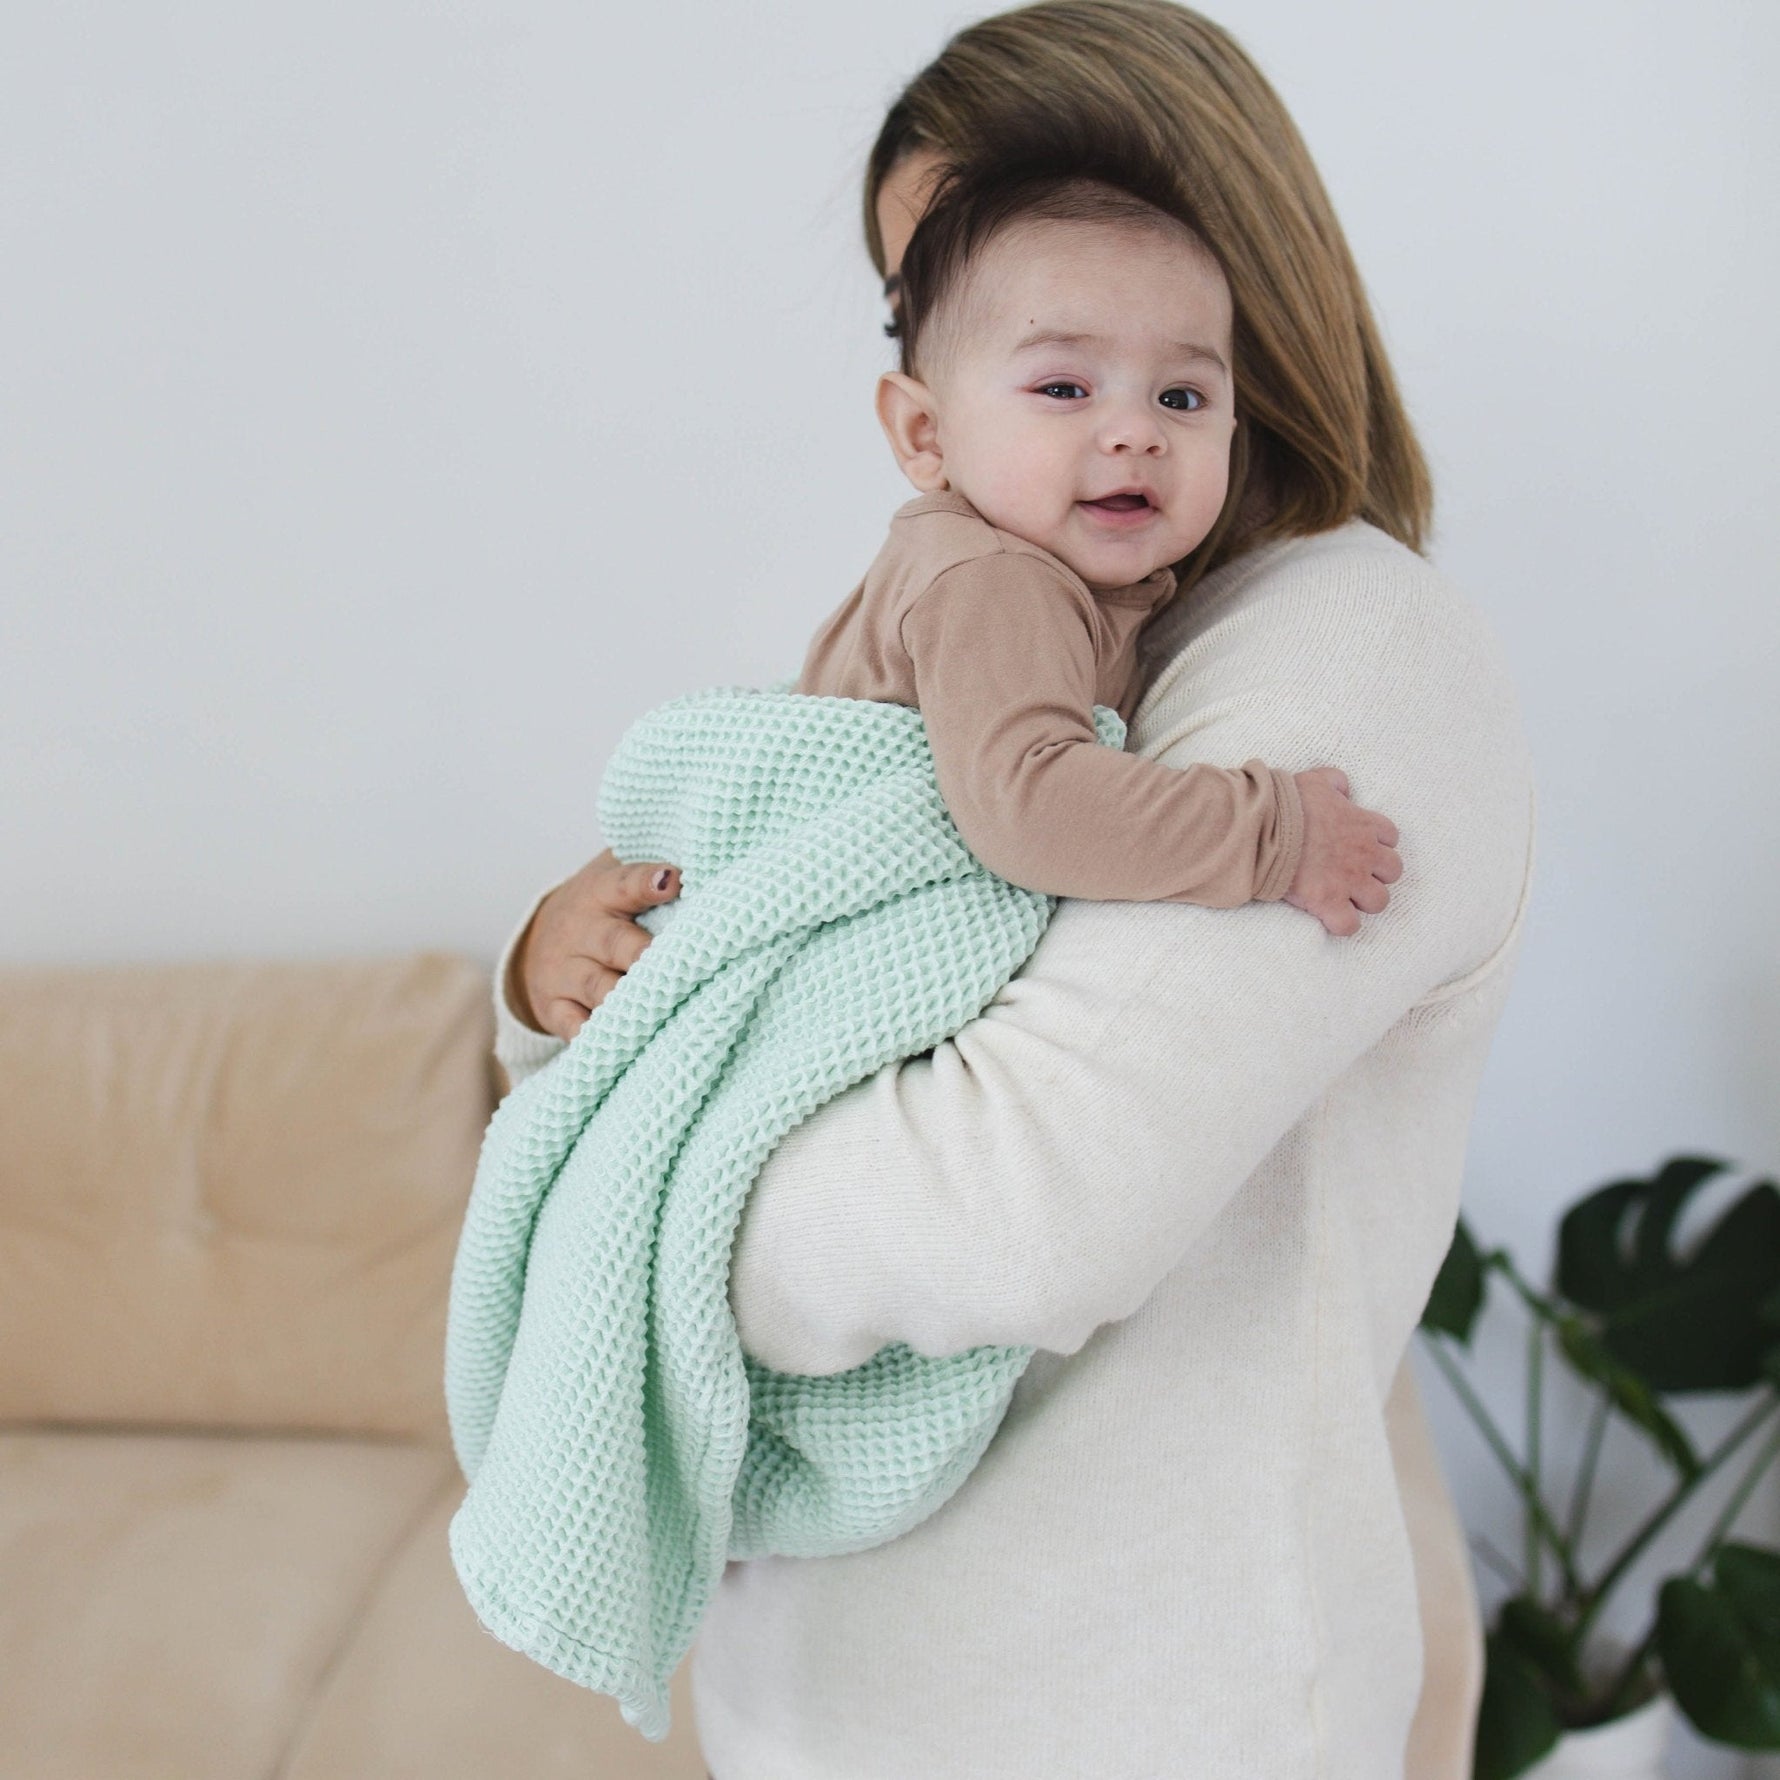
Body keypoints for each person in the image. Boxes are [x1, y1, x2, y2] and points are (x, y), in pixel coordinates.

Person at [491, 2, 1532, 1775]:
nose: (1108, 428)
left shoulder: (1344, 647)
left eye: (1162, 378)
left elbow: (1007, 1205)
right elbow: (751, 965)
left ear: (1229, 278)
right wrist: (556, 989)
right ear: (920, 390)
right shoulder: (1004, 596)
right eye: (946, 301)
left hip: (1111, 1711)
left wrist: (638, 1176)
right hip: (834, 1692)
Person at [797, 141, 1402, 929]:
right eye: (1063, 387)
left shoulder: (1053, 573)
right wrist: (1273, 836)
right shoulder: (994, 578)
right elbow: (1036, 807)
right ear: (925, 433)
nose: (1135, 432)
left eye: (1181, 397)